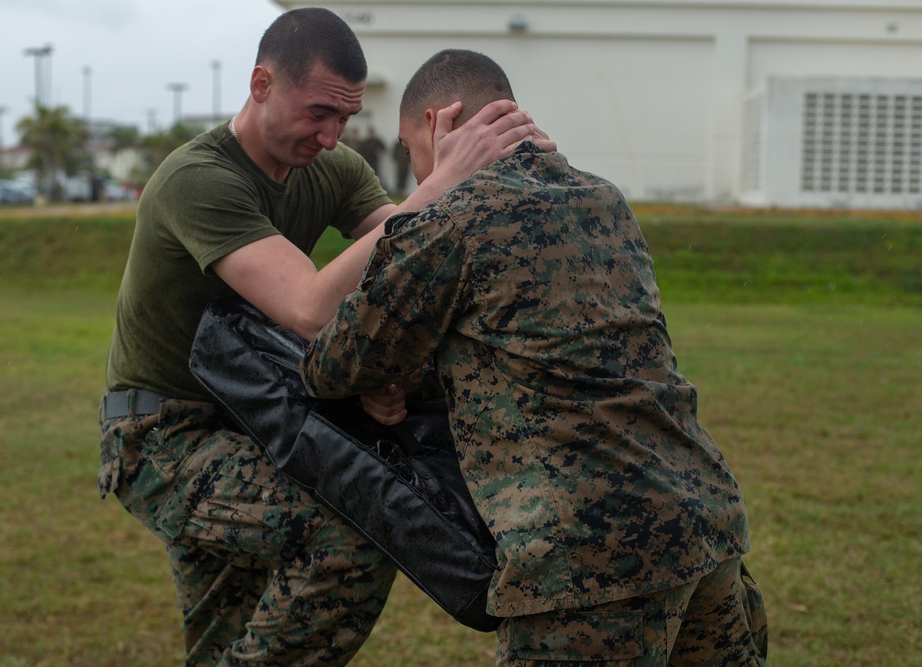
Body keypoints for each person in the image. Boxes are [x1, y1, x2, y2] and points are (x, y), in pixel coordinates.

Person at [98, 10, 551, 666]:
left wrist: (387, 369)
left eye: (344, 118)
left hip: (262, 417)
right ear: (261, 84)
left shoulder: (330, 168)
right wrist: (439, 182)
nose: (333, 134)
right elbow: (309, 306)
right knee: (348, 540)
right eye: (317, 112)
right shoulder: (197, 180)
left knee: (230, 631)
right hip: (167, 435)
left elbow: (405, 261)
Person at [302, 49, 767, 666]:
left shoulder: (453, 216)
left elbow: (334, 366)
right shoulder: (603, 199)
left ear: (442, 125)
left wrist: (432, 199)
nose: (417, 175)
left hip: (592, 557)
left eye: (413, 149)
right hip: (703, 521)